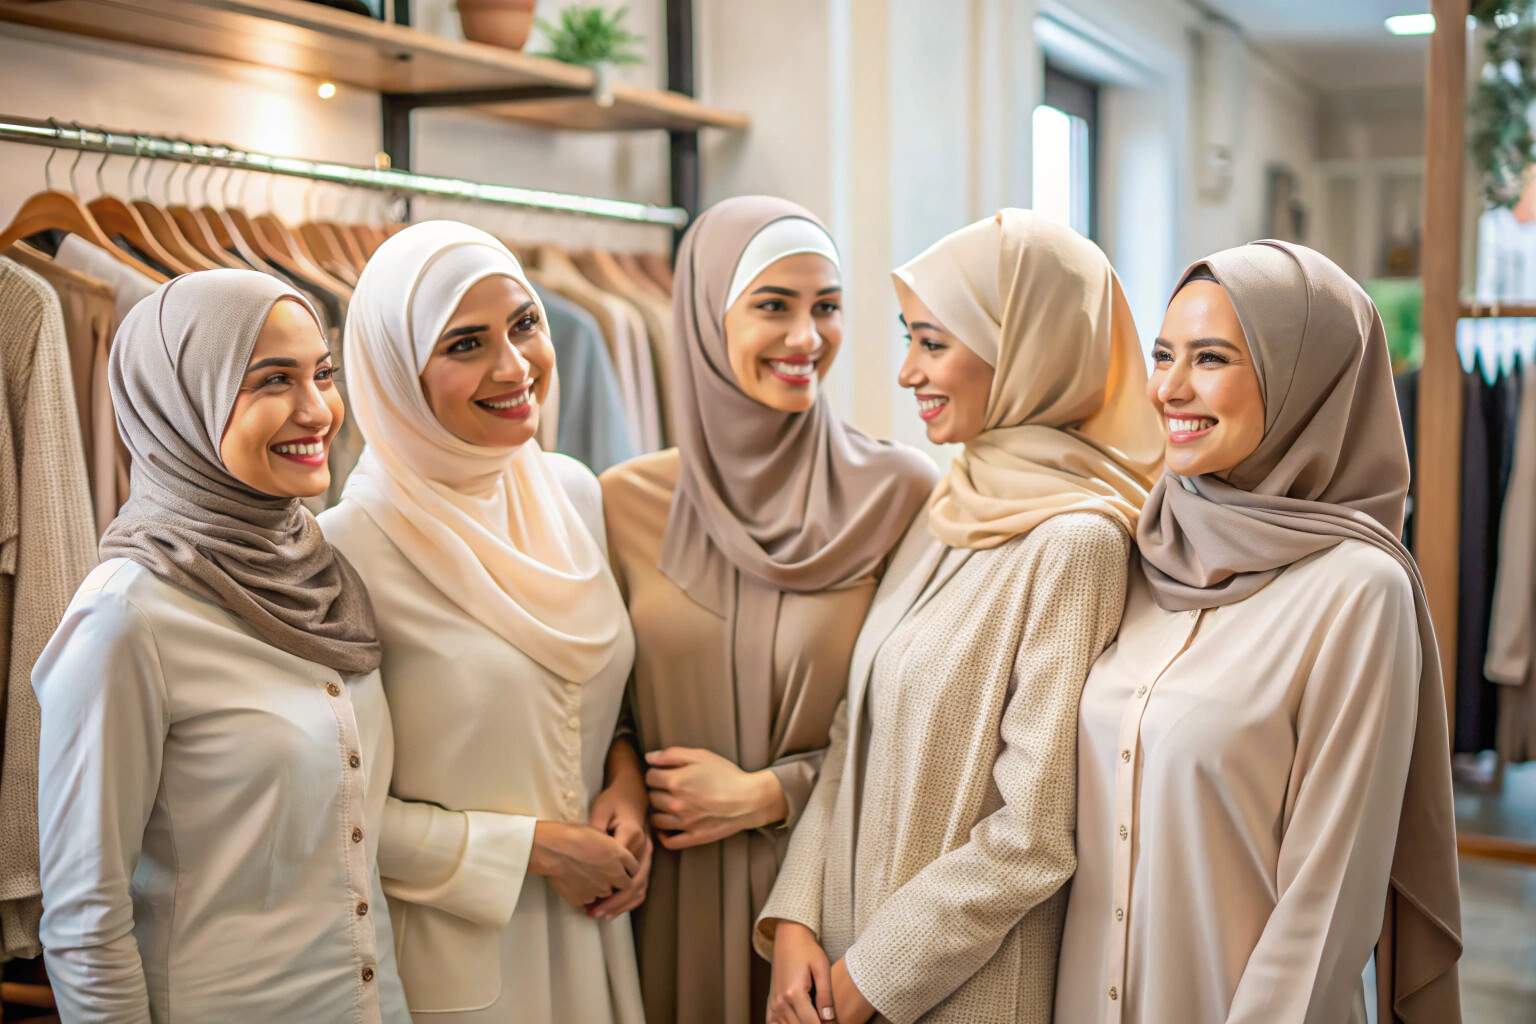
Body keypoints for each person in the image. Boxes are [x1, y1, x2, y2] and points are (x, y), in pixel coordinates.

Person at [758, 209, 1162, 1024]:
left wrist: (871, 977)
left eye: (933, 343)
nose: (907, 372)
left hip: (957, 994)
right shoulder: (951, 501)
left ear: (1027, 350)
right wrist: (796, 918)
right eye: (909, 338)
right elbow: (852, 733)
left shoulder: (1077, 544)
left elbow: (1035, 833)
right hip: (836, 967)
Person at [1054, 242, 1462, 1024]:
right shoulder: (1143, 547)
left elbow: (1326, 907)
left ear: (1303, 378)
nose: (1169, 388)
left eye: (1211, 359)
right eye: (1163, 355)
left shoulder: (1357, 592)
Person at [33, 270, 408, 1023]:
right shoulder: (127, 618)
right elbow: (83, 920)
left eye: (323, 374)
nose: (318, 411)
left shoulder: (322, 573)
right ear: (182, 401)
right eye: (273, 380)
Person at [599, 196, 935, 1024]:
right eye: (772, 306)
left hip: (830, 904)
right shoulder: (623, 502)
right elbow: (595, 699)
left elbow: (923, 725)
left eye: (826, 307)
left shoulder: (900, 494)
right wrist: (623, 779)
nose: (805, 338)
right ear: (708, 321)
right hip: (661, 895)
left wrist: (769, 794)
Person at [319, 221, 646, 1023]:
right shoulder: (345, 549)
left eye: (524, 323)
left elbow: (589, 694)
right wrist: (535, 849)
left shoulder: (573, 494)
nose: (514, 365)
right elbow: (331, 813)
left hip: (599, 935)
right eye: (465, 344)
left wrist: (626, 783)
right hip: (459, 966)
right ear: (397, 373)